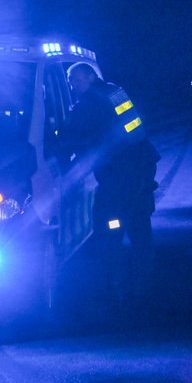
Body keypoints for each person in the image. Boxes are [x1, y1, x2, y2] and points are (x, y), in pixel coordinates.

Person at [64, 61, 158, 269]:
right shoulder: (115, 91)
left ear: (91, 77)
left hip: (119, 172)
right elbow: (134, 125)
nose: (73, 86)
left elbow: (72, 139)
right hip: (142, 163)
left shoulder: (86, 105)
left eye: (76, 80)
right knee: (139, 216)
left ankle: (114, 270)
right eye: (71, 83)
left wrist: (67, 161)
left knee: (109, 218)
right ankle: (145, 262)